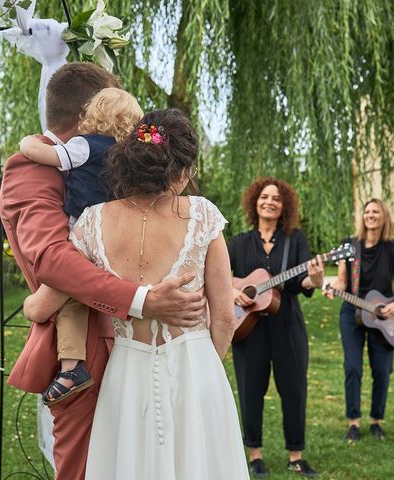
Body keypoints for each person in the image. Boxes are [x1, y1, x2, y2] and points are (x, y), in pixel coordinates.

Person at [0, 62, 206, 480]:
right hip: (86, 349)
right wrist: (142, 301)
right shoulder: (33, 166)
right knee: (85, 468)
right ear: (85, 117)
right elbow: (54, 258)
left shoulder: (108, 164)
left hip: (140, 348)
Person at [23, 108, 249, 479]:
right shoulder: (203, 215)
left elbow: (40, 307)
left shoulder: (92, 221)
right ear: (180, 170)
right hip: (196, 370)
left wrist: (30, 301)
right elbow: (224, 318)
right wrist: (206, 369)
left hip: (126, 374)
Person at [18, 88, 143, 406]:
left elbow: (45, 156)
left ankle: (72, 367)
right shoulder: (126, 154)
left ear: (94, 113)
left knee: (69, 299)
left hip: (83, 232)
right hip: (113, 233)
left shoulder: (82, 146)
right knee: (83, 296)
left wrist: (27, 142)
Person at [228, 177, 323, 478]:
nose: (270, 201)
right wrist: (232, 292)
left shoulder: (295, 240)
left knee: (293, 389)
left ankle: (296, 455)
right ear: (255, 202)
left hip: (287, 325)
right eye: (264, 197)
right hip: (248, 327)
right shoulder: (239, 243)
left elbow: (303, 281)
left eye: (277, 199)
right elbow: (217, 277)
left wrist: (315, 280)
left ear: (285, 207)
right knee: (250, 389)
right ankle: (255, 454)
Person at [323, 198, 394, 442]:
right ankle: (353, 422)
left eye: (376, 211)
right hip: (352, 311)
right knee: (352, 367)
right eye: (367, 211)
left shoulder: (393, 249)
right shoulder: (349, 246)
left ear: (384, 216)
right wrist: (332, 287)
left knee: (382, 370)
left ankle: (376, 421)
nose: (371, 215)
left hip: (384, 317)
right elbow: (343, 281)